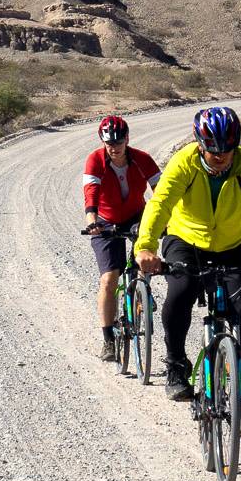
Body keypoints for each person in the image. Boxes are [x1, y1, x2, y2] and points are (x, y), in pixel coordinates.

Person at [135, 106, 241, 438]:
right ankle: (175, 364)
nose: (221, 157)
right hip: (186, 240)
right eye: (214, 151)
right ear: (200, 144)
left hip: (234, 245)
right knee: (180, 293)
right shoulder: (184, 163)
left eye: (227, 150)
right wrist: (146, 246)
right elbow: (160, 205)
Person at [83, 115, 161, 361]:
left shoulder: (142, 159)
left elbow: (162, 192)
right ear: (103, 142)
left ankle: (142, 290)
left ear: (127, 139)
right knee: (109, 279)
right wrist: (91, 221)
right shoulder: (95, 160)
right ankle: (108, 340)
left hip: (138, 215)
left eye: (118, 142)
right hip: (105, 221)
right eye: (109, 143)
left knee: (143, 258)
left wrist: (167, 220)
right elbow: (91, 192)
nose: (114, 148)